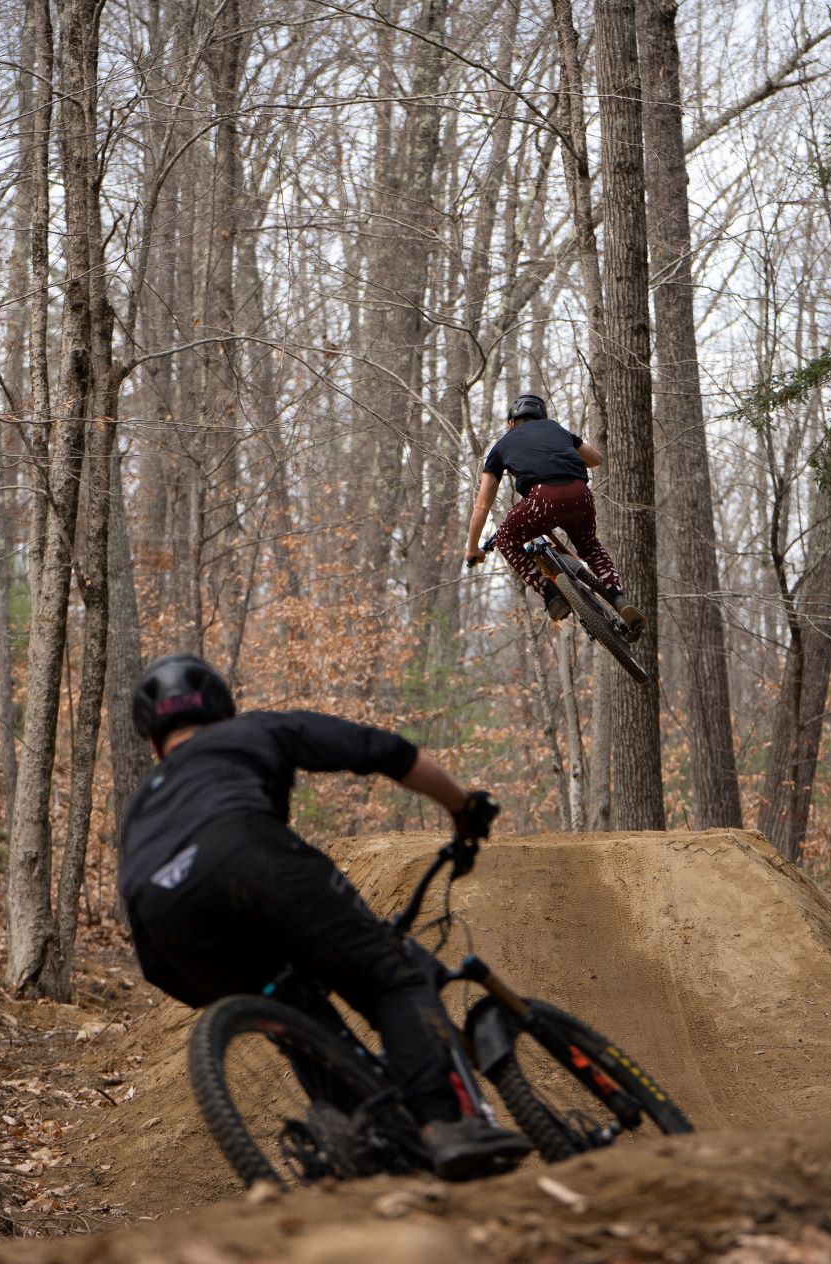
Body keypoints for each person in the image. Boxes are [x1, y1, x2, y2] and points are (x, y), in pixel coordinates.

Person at [115, 653, 534, 1182]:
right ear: (223, 711)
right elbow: (387, 752)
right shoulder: (255, 731)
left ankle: (364, 1144)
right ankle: (447, 1124)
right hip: (252, 859)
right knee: (392, 979)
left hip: (166, 932)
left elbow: (133, 890)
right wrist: (462, 807)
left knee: (301, 1019)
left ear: (154, 743)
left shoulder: (141, 804)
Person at [464, 393, 645, 639]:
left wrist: (473, 548)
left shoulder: (502, 445)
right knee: (590, 547)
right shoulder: (557, 430)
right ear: (541, 416)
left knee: (507, 539)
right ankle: (619, 597)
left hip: (542, 499)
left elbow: (482, 506)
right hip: (580, 494)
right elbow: (596, 459)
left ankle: (551, 594)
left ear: (510, 423)